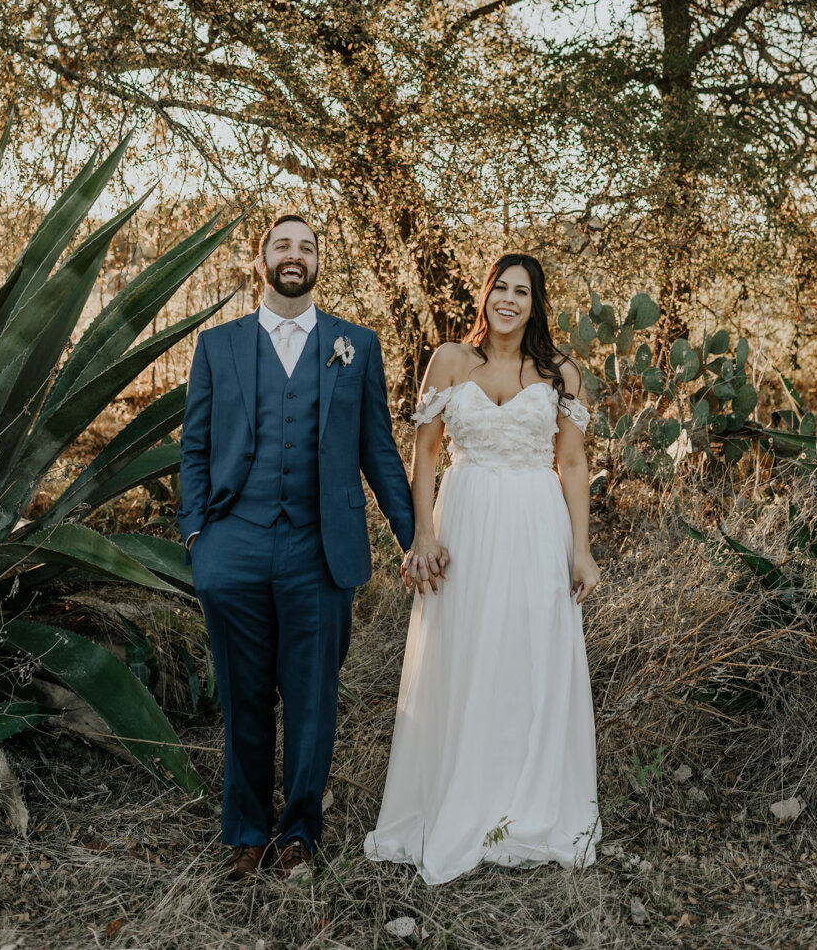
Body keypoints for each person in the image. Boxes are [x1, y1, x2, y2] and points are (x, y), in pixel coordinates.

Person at [178, 215, 415, 881]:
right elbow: (193, 448)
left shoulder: (354, 345)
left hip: (320, 550)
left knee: (312, 699)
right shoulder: (216, 346)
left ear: (316, 263)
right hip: (234, 547)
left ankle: (298, 833)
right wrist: (197, 534)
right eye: (282, 245)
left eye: (306, 247)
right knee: (245, 697)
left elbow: (379, 452)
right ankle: (247, 832)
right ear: (261, 260)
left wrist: (413, 537)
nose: (294, 255)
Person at [364, 253, 601, 884]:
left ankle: (523, 805)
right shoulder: (448, 361)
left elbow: (572, 465)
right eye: (501, 287)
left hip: (533, 523)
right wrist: (423, 534)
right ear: (485, 294)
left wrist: (581, 548)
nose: (509, 299)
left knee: (528, 657)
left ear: (535, 304)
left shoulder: (560, 373)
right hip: (464, 522)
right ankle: (455, 796)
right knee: (462, 653)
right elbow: (426, 454)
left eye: (522, 292)